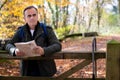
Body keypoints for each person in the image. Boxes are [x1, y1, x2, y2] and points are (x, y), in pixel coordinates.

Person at [5, 5, 61, 77]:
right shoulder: (20, 31)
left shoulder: (46, 29)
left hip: (45, 70)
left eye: (34, 15)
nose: (32, 18)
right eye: (29, 16)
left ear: (37, 16)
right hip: (27, 70)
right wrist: (14, 50)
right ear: (25, 18)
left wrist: (44, 51)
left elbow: (57, 45)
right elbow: (8, 44)